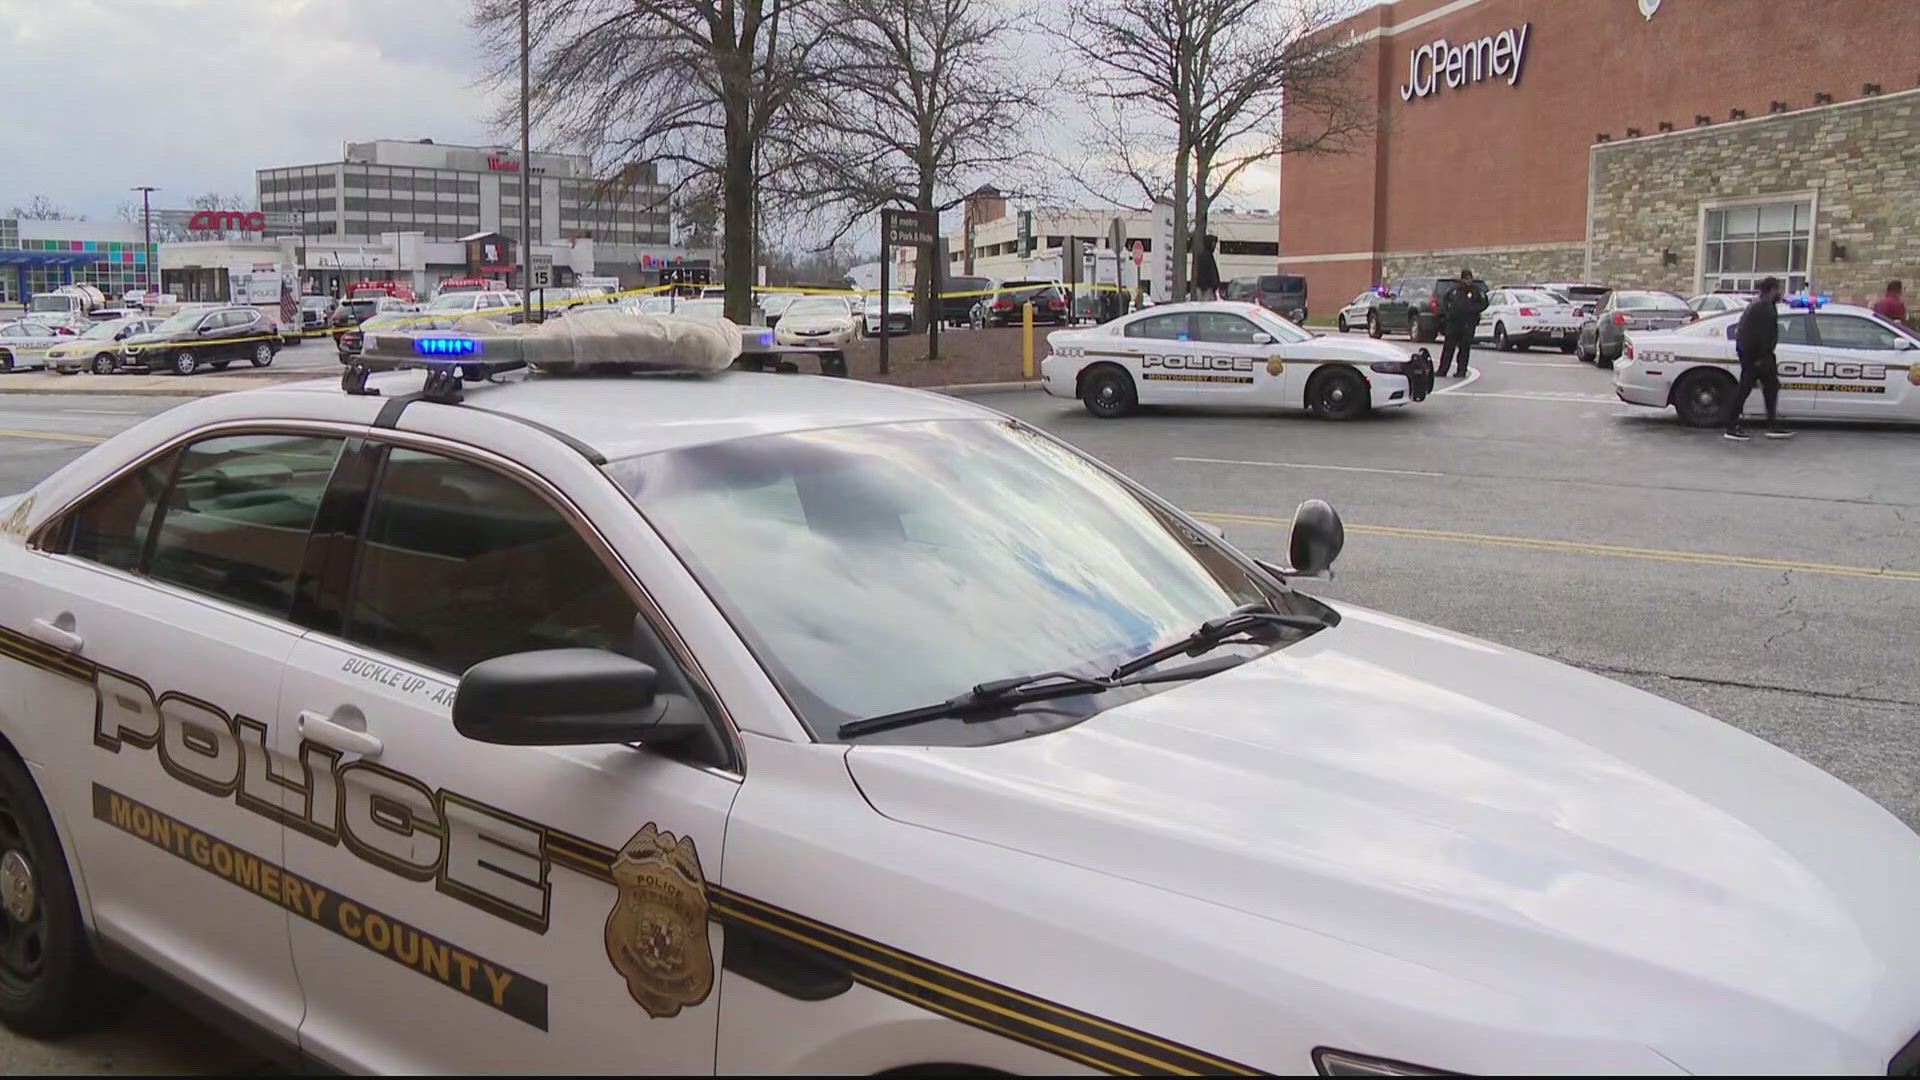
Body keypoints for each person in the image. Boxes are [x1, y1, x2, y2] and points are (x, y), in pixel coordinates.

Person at [1726, 276, 1793, 441]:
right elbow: (1756, 335)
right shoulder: (1763, 308)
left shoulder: (1762, 306)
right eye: (1779, 289)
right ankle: (1732, 426)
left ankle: (1772, 424)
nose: (1780, 292)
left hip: (1758, 356)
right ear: (1771, 290)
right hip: (1758, 356)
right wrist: (1757, 358)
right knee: (1745, 388)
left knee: (1769, 387)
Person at [1434, 268, 1486, 377]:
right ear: (1462, 279)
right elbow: (1445, 301)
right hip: (1453, 323)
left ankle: (1461, 370)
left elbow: (1484, 303)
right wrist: (1448, 313)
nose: (1468, 281)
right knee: (1448, 347)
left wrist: (1473, 310)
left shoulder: (1475, 291)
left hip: (1467, 324)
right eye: (1466, 279)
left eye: (1470, 279)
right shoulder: (1454, 290)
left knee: (1464, 348)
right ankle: (1442, 370)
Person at [1192, 235, 1221, 301]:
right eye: (1213, 243)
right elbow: (1211, 273)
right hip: (1207, 288)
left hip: (1202, 287)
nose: (1214, 246)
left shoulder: (1202, 256)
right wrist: (1215, 285)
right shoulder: (1208, 257)